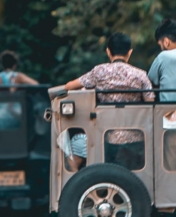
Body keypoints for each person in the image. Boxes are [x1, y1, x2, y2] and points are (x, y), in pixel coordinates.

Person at [61, 32, 153, 171]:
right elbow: (150, 101)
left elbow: (69, 86)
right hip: (137, 137)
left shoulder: (99, 71)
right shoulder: (140, 75)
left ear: (108, 51)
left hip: (106, 137)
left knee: (75, 143)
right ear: (129, 53)